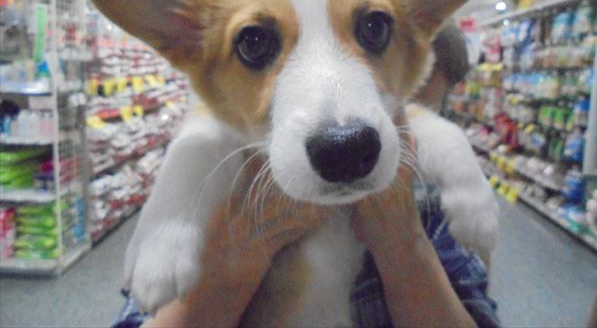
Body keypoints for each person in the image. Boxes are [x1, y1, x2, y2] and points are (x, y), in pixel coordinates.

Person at [114, 21, 499, 328]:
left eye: (419, 108)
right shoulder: (217, 157)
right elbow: (145, 304)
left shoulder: (431, 200)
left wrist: (402, 240)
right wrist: (243, 251)